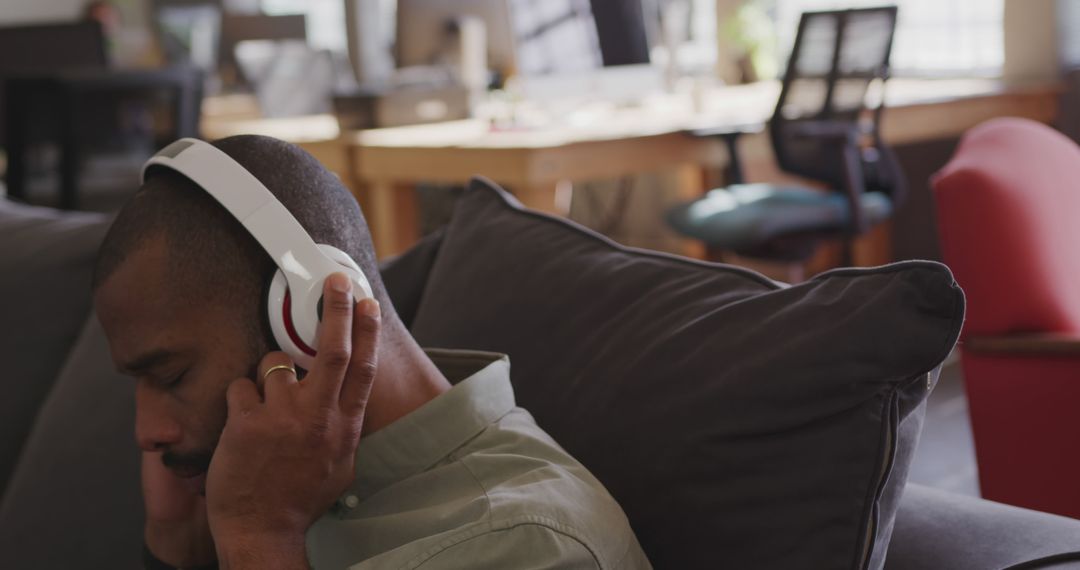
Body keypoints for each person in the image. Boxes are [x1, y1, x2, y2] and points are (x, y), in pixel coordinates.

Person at [92, 135, 650, 569]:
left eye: (171, 376)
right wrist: (176, 550)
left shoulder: (526, 546)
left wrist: (261, 542)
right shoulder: (262, 480)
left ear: (306, 313)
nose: (147, 432)